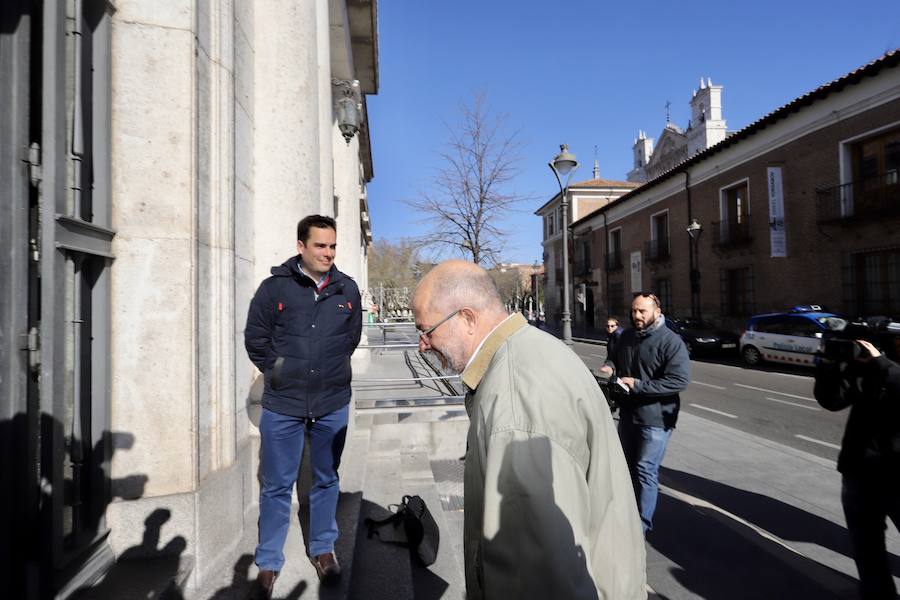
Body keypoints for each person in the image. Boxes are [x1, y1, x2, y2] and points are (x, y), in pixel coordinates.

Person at [412, 260, 646, 600]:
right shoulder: (530, 350)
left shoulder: (514, 399)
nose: (423, 344)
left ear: (467, 318)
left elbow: (541, 575)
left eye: (427, 330)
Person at [244, 215, 362, 598]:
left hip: (331, 403)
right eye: (320, 246)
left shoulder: (348, 289)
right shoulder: (273, 288)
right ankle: (268, 562)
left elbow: (351, 338)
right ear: (301, 247)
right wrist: (280, 372)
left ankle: (323, 548)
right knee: (277, 484)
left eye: (332, 246)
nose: (328, 253)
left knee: (327, 478)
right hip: (284, 404)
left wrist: (327, 372)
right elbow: (256, 339)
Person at [814, 338, 900, 599]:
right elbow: (832, 400)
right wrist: (828, 364)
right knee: (867, 549)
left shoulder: (884, 367)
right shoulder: (871, 366)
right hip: (859, 471)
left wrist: (880, 364)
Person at [599, 292, 689, 535]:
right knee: (626, 466)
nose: (636, 315)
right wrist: (610, 367)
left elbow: (679, 381)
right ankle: (625, 513)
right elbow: (615, 357)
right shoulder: (626, 336)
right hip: (628, 414)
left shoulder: (671, 341)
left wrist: (638, 385)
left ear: (657, 312)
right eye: (634, 310)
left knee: (645, 469)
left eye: (643, 311)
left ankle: (641, 526)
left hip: (656, 419)